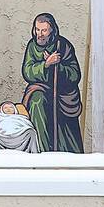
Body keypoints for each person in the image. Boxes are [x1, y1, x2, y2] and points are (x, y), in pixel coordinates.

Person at [21, 13, 83, 152]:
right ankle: (41, 151)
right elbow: (27, 71)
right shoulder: (32, 46)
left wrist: (58, 66)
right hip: (41, 91)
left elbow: (75, 74)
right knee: (37, 100)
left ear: (52, 30)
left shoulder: (63, 45)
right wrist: (46, 64)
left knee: (66, 138)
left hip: (62, 96)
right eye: (37, 30)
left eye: (44, 30)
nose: (40, 34)